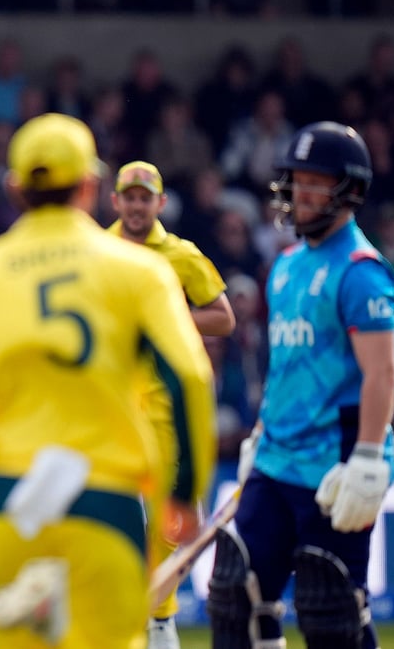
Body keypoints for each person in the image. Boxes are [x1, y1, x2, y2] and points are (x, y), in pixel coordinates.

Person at [0, 113, 218, 649]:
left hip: (7, 504)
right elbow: (188, 378)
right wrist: (182, 494)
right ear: (90, 186)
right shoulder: (139, 270)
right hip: (103, 502)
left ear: (15, 188)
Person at [213, 122, 394, 649]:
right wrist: (258, 435)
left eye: (316, 182)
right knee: (234, 596)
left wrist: (367, 458)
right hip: (275, 460)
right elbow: (285, 367)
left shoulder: (362, 271)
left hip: (335, 466)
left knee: (328, 608)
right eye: (296, 181)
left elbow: (382, 373)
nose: (300, 193)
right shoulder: (285, 267)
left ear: (350, 190)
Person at [109, 160, 236, 649]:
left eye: (146, 198)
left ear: (160, 204)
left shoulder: (182, 255)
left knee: (171, 526)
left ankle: (158, 617)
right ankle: (153, 620)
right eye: (129, 197)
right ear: (115, 201)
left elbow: (223, 318)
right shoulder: (100, 249)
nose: (137, 206)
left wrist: (168, 314)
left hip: (166, 409)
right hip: (114, 407)